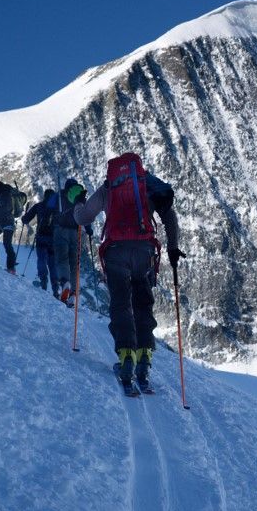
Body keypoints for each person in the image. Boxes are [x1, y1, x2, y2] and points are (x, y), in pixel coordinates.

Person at [66, 153, 184, 394]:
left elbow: (83, 217)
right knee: (143, 305)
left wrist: (78, 201)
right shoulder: (149, 184)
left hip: (116, 252)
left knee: (121, 305)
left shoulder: (109, 186)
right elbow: (169, 215)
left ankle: (126, 357)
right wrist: (172, 248)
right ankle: (144, 361)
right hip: (145, 253)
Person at [52, 178, 92, 306]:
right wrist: (89, 229)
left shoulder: (60, 195)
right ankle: (73, 293)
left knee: (62, 259)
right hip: (76, 232)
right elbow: (85, 214)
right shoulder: (80, 196)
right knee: (75, 264)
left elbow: (49, 206)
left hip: (61, 230)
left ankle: (65, 283)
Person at [20, 189, 59, 296]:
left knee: (41, 259)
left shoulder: (39, 206)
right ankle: (56, 289)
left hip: (41, 237)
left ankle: (43, 283)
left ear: (45, 196)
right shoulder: (58, 208)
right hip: (54, 240)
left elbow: (26, 219)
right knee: (53, 264)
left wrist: (24, 217)